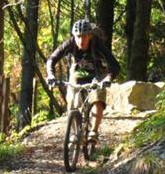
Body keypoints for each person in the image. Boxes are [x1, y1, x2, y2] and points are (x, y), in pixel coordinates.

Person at [46, 19, 120, 147]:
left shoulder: (97, 45)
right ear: (74, 36)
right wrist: (51, 75)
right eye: (78, 36)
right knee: (71, 102)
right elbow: (52, 59)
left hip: (97, 74)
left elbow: (115, 66)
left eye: (84, 36)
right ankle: (75, 133)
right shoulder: (70, 44)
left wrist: (108, 78)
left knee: (98, 98)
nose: (81, 40)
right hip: (77, 74)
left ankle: (93, 132)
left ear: (90, 36)